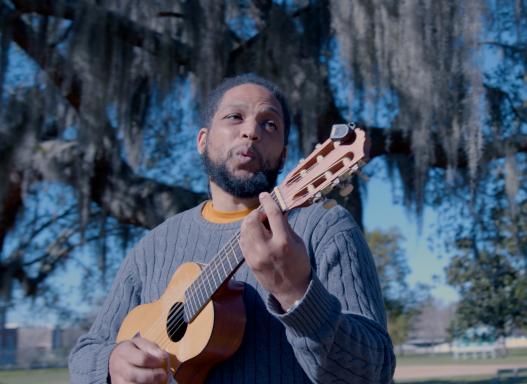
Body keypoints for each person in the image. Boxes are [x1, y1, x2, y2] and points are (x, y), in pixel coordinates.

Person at [68, 75, 396, 384]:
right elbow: (85, 354)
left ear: (284, 158)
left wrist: (296, 293)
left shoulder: (324, 228)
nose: (251, 131)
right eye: (234, 117)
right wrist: (111, 364)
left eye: (270, 124)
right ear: (203, 140)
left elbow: (372, 373)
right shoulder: (154, 245)